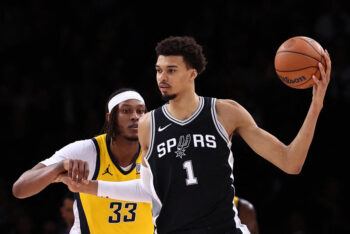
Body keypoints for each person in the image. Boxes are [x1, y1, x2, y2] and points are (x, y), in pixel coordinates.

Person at [57, 36, 331, 234]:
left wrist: (315, 106)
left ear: (192, 74)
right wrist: (91, 186)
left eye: (171, 70)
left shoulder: (225, 112)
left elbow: (290, 162)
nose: (162, 77)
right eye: (158, 70)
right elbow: (146, 190)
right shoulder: (148, 125)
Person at [12, 88, 154, 234]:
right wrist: (59, 167)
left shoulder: (157, 151)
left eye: (140, 111)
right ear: (110, 117)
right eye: (126, 111)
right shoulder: (86, 150)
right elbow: (20, 189)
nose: (135, 116)